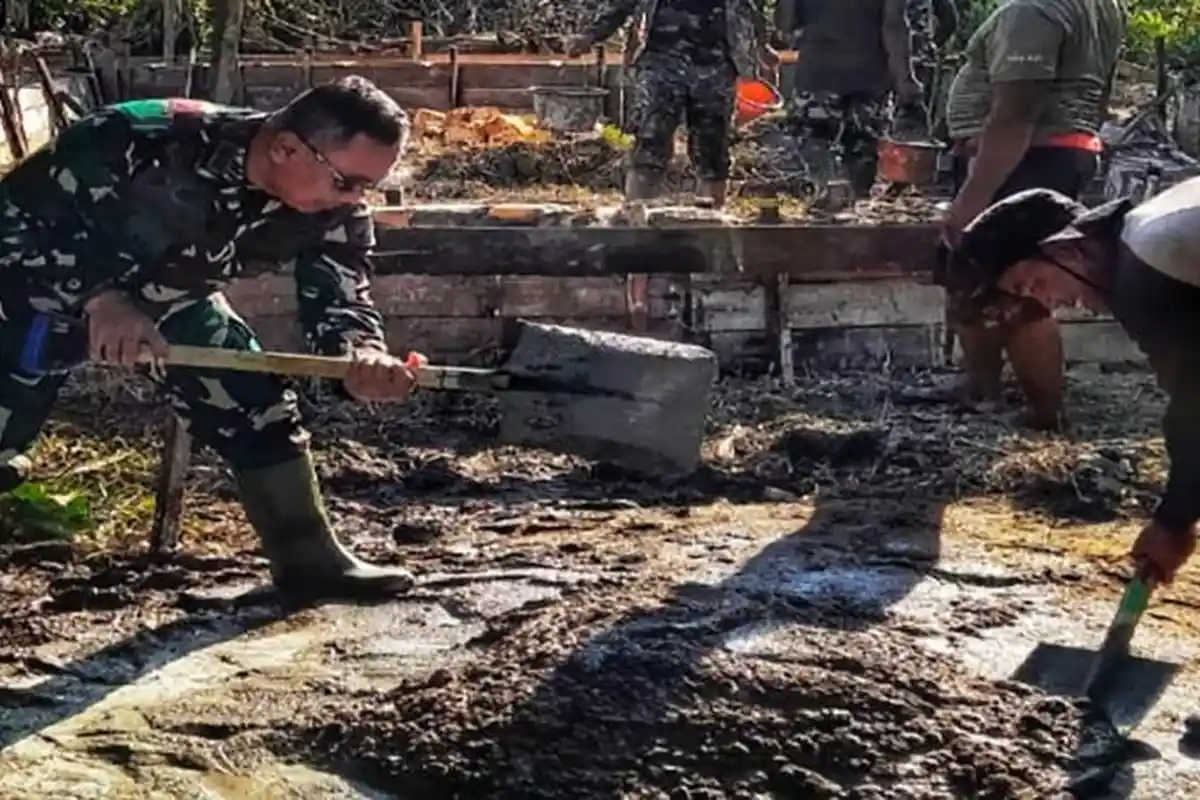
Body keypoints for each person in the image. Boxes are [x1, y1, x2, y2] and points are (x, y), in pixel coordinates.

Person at [0, 77, 422, 603]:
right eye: (347, 181)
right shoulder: (136, 135)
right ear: (287, 147)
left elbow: (340, 292)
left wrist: (361, 357)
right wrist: (101, 299)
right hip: (22, 293)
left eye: (367, 187)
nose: (356, 199)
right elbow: (17, 223)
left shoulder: (334, 208)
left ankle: (310, 561)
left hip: (168, 301)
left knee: (252, 400)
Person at [943, 178, 1200, 583]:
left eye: (1030, 282)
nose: (1045, 301)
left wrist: (1173, 521)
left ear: (1065, 247)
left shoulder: (1149, 265)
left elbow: (1194, 408)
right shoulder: (1154, 234)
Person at [939, 0, 1126, 429]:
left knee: (1024, 290)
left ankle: (1045, 414)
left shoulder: (1032, 12)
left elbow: (1014, 114)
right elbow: (1102, 93)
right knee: (976, 277)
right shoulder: (1100, 6)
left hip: (1022, 159)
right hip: (1050, 152)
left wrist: (972, 197)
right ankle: (980, 387)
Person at [566, 0, 773, 208]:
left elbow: (749, 7)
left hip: (715, 64)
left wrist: (762, 47)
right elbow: (622, 4)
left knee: (713, 148)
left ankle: (711, 224)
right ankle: (637, 217)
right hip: (660, 61)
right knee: (650, 140)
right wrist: (590, 36)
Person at [769, 0, 958, 195]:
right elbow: (894, 26)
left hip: (818, 73)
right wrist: (906, 79)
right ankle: (853, 204)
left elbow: (785, 23)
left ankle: (826, 194)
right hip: (869, 76)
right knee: (862, 149)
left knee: (816, 141)